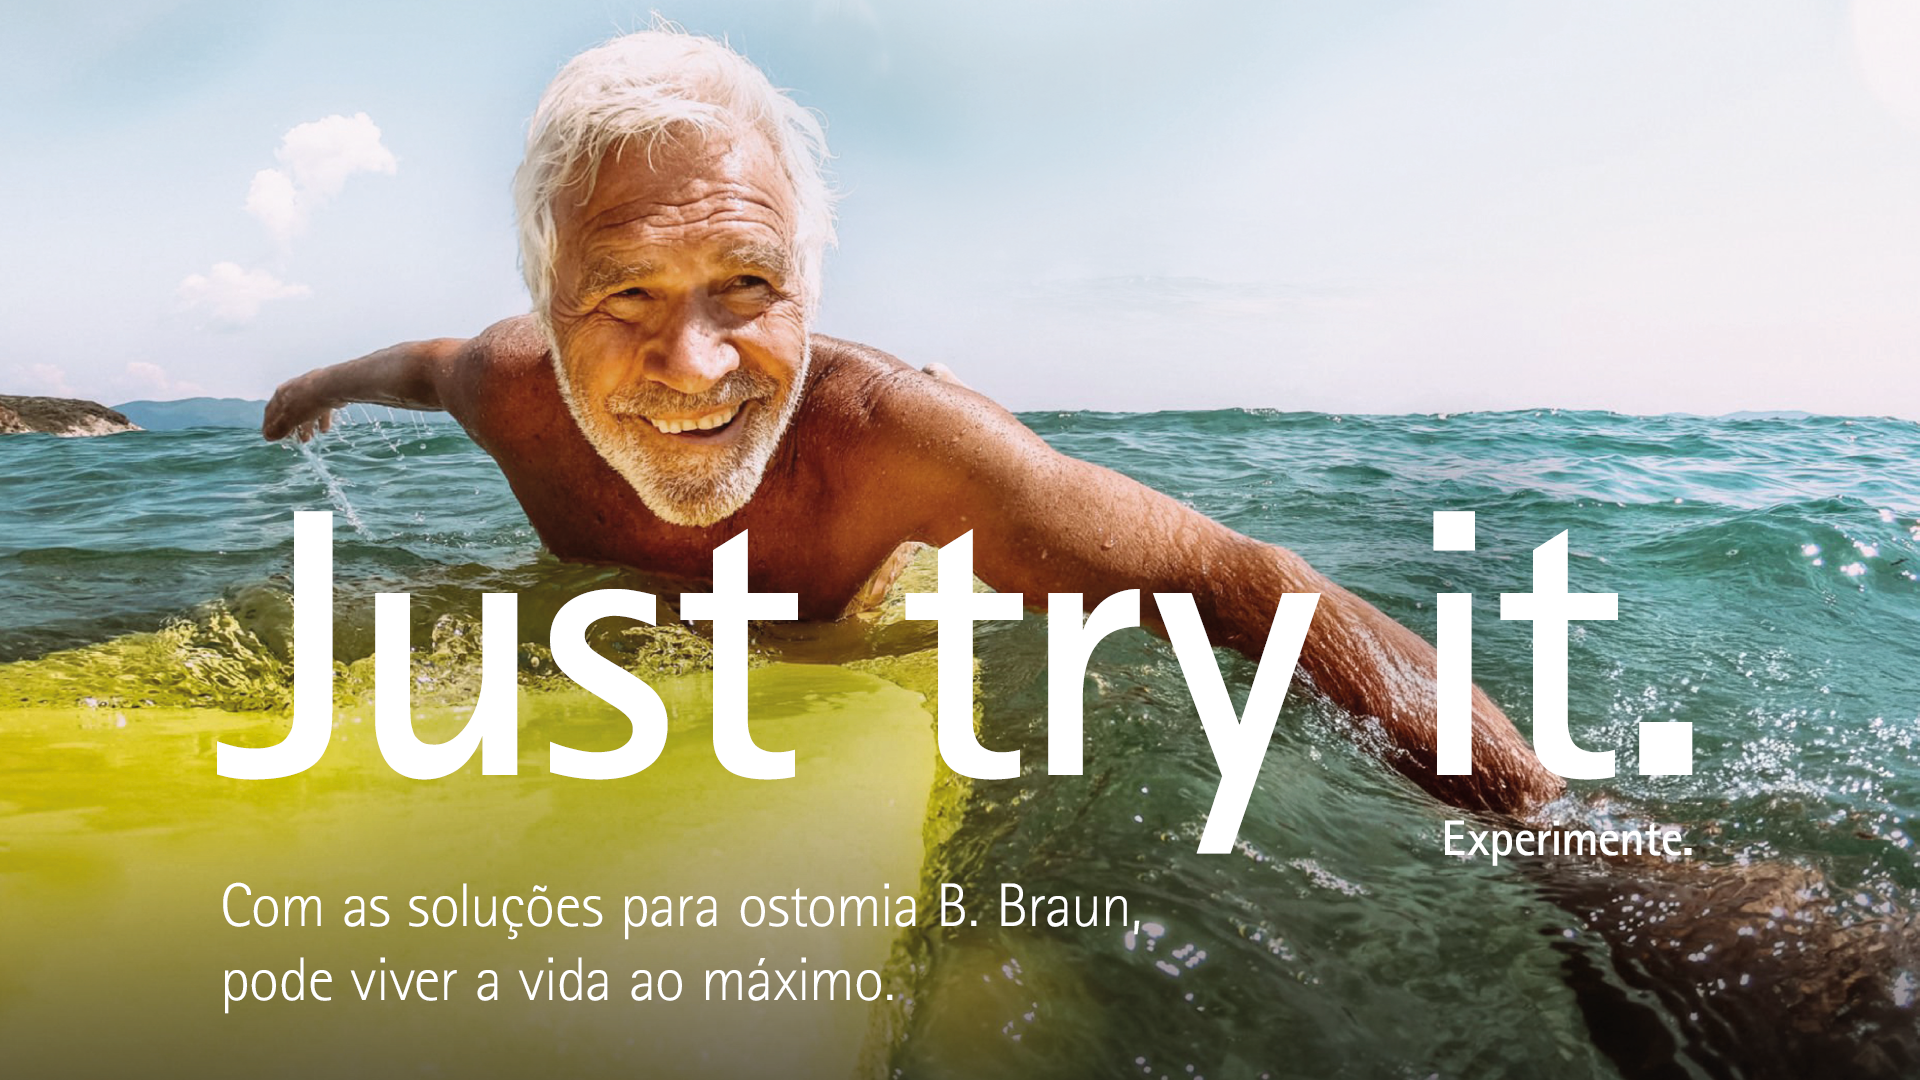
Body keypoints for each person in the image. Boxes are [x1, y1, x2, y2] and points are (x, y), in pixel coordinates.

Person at [262, 28, 1560, 815]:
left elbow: (1239, 580)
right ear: (545, 302)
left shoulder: (891, 446)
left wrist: (1568, 842)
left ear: (812, 287)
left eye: (748, 285)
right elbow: (417, 367)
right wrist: (309, 392)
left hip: (879, 545)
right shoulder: (506, 386)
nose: (695, 362)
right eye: (627, 295)